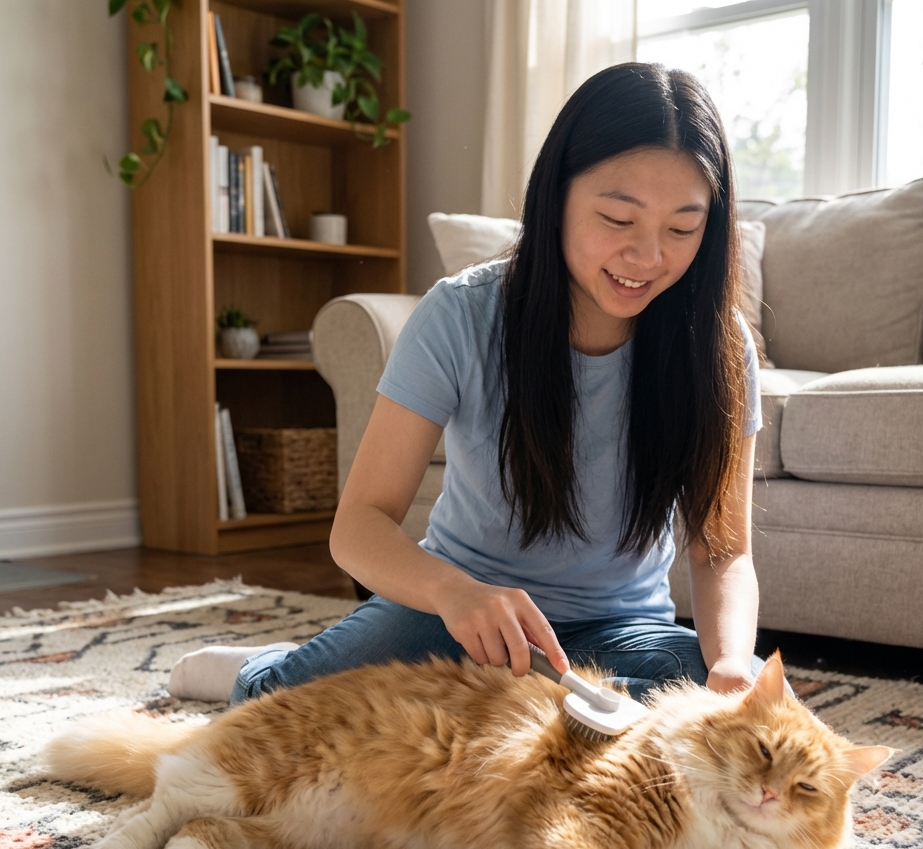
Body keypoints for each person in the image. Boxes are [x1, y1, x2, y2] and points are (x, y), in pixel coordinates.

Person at [169, 63, 764, 706]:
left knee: (743, 728)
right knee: (289, 716)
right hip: (458, 615)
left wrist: (730, 664)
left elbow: (721, 552)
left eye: (681, 229)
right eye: (618, 219)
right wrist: (455, 594)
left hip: (623, 634)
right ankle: (264, 668)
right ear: (556, 194)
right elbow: (359, 525)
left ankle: (518, 702)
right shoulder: (461, 314)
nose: (648, 257)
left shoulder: (717, 345)